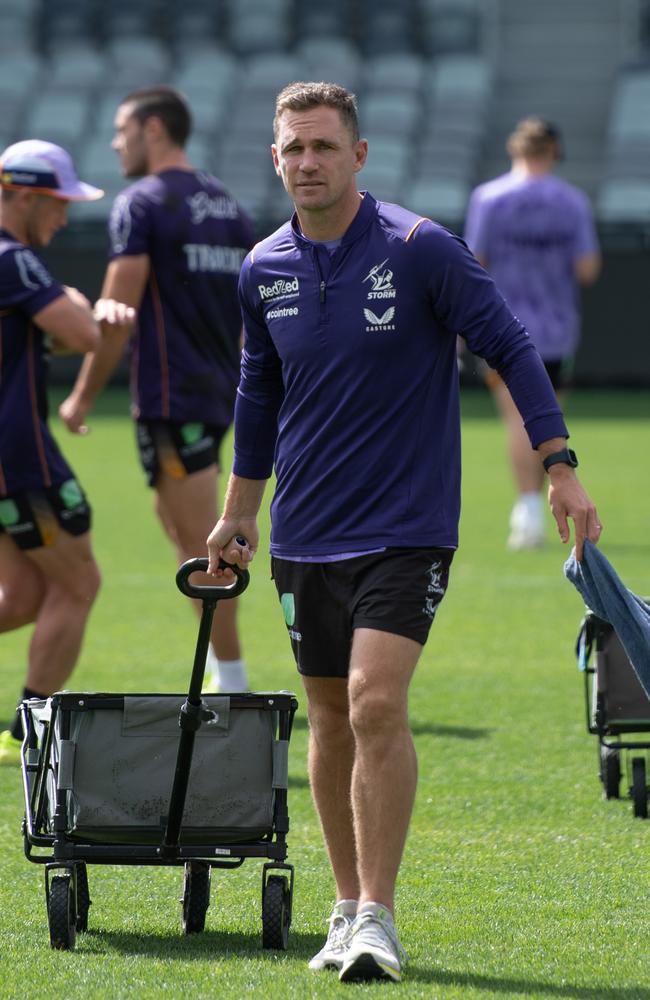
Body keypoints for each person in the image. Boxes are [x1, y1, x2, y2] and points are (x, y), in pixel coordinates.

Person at [205, 82, 603, 983]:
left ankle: (380, 917)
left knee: (376, 702)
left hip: (407, 524)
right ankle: (343, 911)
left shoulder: (422, 250)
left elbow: (510, 346)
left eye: (324, 147)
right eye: (292, 148)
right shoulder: (261, 268)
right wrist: (237, 512)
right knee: (329, 717)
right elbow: (256, 396)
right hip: (305, 527)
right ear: (275, 158)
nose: (307, 162)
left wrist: (560, 464)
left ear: (359, 155)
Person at [59, 87, 256, 693]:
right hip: (224, 395)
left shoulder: (141, 203)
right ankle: (227, 673)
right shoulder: (227, 204)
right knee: (181, 530)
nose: (116, 143)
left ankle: (234, 682)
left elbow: (116, 314)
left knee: (206, 545)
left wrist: (83, 395)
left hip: (173, 399)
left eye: (122, 130)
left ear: (152, 129)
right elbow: (255, 311)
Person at [0, 140, 134, 764]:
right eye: (56, 204)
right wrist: (85, 303)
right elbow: (83, 334)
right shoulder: (15, 261)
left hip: (12, 457)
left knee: (24, 597)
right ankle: (25, 736)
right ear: (24, 195)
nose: (63, 217)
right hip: (19, 458)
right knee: (79, 582)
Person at [464, 117, 601, 550]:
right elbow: (587, 268)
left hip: (501, 330)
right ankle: (540, 506)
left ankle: (526, 512)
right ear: (554, 152)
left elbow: (473, 262)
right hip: (557, 331)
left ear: (515, 148)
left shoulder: (488, 198)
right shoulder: (571, 201)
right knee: (547, 421)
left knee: (515, 421)